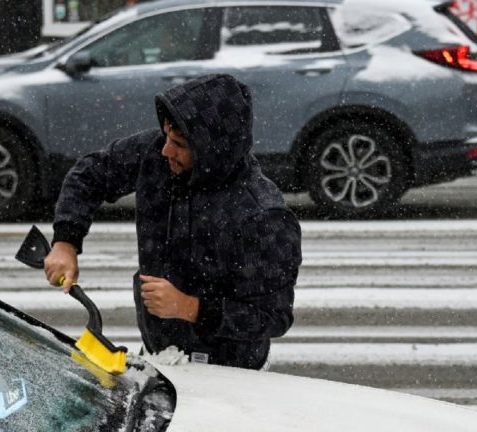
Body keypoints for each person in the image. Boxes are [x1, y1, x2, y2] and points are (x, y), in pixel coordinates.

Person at [44, 74, 302, 370]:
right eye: (167, 135)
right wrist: (66, 241)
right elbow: (90, 174)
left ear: (211, 149)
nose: (166, 149)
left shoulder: (263, 216)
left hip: (232, 371)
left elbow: (273, 316)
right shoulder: (158, 156)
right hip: (159, 352)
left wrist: (190, 308)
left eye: (179, 143)